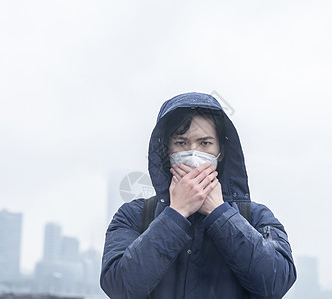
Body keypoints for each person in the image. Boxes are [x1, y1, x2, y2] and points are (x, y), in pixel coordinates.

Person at [100, 92, 296, 299]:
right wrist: (176, 213)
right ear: (166, 151)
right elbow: (118, 287)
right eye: (181, 143)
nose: (193, 154)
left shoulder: (255, 216)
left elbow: (276, 283)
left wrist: (219, 213)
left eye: (205, 143)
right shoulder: (134, 215)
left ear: (221, 152)